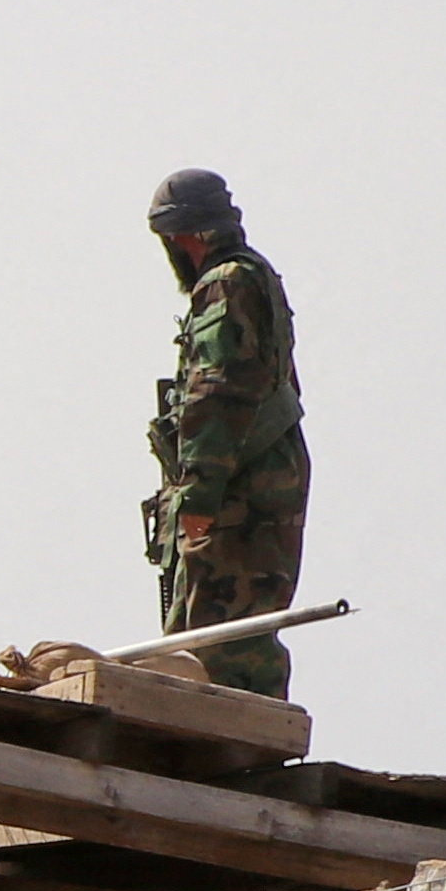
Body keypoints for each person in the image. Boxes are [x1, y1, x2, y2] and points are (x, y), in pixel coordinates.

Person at [143, 167, 311, 696]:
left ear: (183, 237)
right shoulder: (254, 276)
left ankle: (223, 743)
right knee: (238, 628)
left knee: (214, 640)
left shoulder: (225, 283)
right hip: (260, 477)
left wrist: (198, 490)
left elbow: (217, 389)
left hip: (238, 487)